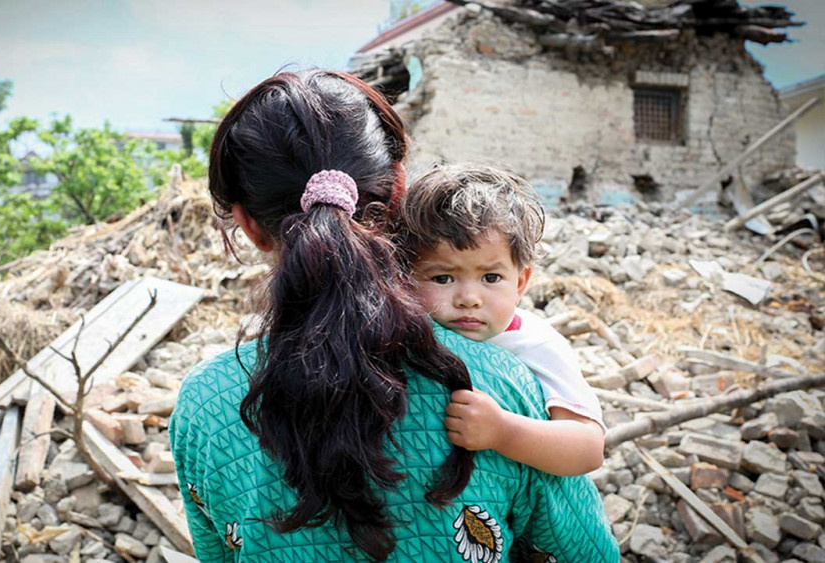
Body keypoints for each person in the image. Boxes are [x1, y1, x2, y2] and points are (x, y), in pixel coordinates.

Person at [169, 69, 618, 562]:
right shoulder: (498, 387)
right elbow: (586, 550)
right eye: (449, 278)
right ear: (399, 191)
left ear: (247, 224)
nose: (469, 297)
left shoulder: (203, 407)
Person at [397, 164, 606, 477]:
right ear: (406, 278)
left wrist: (504, 432)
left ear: (520, 283)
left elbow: (588, 448)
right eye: (443, 278)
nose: (469, 297)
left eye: (491, 277)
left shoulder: (535, 345)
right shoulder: (399, 333)